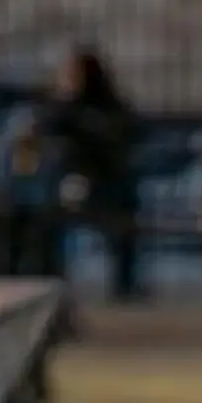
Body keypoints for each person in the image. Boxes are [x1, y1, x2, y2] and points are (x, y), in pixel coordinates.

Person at [45, 44, 142, 300]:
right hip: (74, 182)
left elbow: (121, 142)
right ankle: (52, 280)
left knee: (121, 219)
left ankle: (124, 284)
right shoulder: (61, 111)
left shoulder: (103, 109)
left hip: (104, 183)